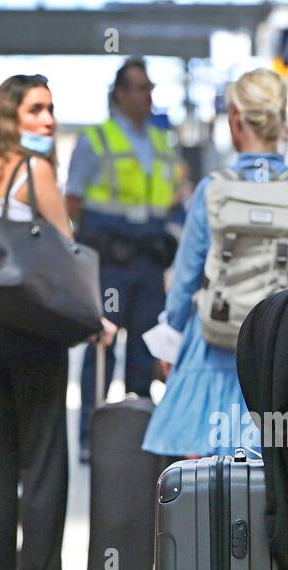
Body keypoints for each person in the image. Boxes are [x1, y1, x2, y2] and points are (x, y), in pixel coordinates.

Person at [141, 68, 288, 570]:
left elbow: (184, 281)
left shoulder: (212, 190)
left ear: (234, 121)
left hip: (213, 352)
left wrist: (168, 338)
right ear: (281, 123)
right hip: (279, 359)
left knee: (205, 477)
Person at [0, 74, 116, 570]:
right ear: (12, 115)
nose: (48, 120)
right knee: (43, 456)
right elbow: (65, 252)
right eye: (37, 109)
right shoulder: (35, 170)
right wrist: (93, 317)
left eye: (50, 109)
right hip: (30, 323)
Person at [65, 57, 180, 463]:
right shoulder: (96, 140)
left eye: (150, 88)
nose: (149, 95)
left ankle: (137, 431)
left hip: (148, 259)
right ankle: (89, 437)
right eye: (142, 88)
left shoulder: (162, 142)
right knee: (103, 343)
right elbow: (74, 200)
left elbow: (173, 201)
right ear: (121, 93)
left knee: (146, 346)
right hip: (111, 259)